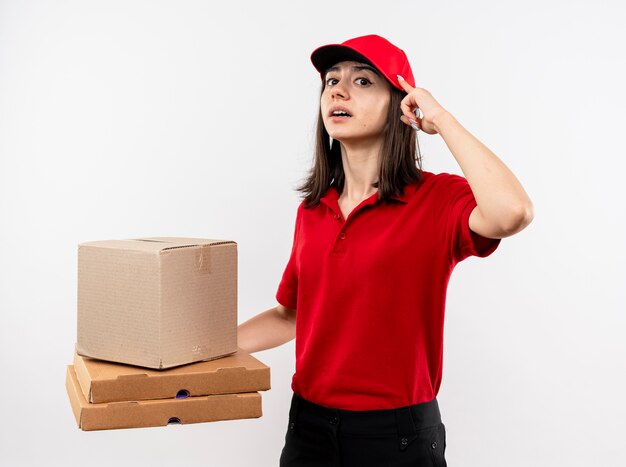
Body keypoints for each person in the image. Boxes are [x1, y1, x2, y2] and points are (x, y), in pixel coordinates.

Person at [237, 34, 534, 467]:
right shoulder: (313, 209)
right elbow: (292, 315)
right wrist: (204, 348)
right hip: (309, 430)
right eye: (331, 81)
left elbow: (512, 212)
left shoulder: (436, 198)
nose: (337, 90)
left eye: (362, 82)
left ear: (402, 103)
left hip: (397, 438)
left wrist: (442, 119)